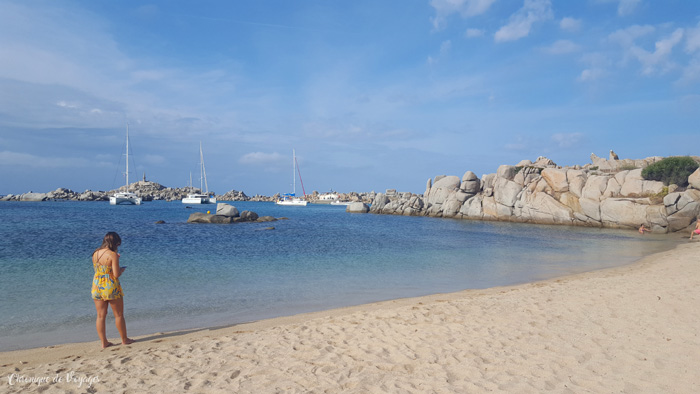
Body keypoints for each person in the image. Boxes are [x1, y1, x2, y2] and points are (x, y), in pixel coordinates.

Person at [91, 232, 134, 348]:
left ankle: (103, 342)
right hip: (110, 286)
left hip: (97, 285)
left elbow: (101, 269)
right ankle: (124, 339)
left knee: (100, 316)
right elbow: (115, 274)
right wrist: (121, 269)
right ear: (115, 243)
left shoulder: (95, 253)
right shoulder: (112, 255)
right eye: (118, 244)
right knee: (119, 315)